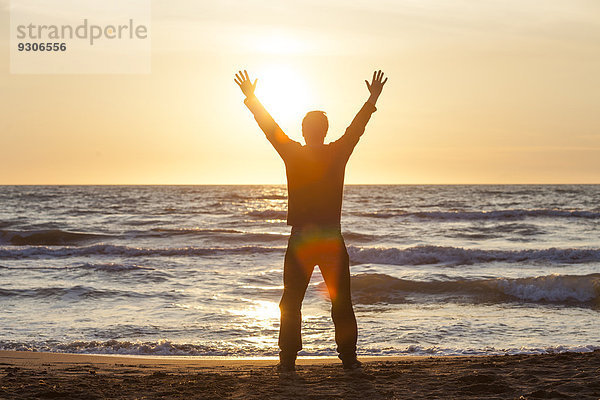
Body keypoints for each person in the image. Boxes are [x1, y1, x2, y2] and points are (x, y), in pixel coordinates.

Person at [235, 69, 387, 371]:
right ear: (325, 131)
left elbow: (270, 128)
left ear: (304, 131)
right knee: (340, 301)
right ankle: (348, 358)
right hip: (330, 237)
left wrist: (252, 99)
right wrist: (371, 99)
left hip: (303, 237)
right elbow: (356, 129)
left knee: (291, 301)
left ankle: (288, 360)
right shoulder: (337, 152)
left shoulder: (294, 153)